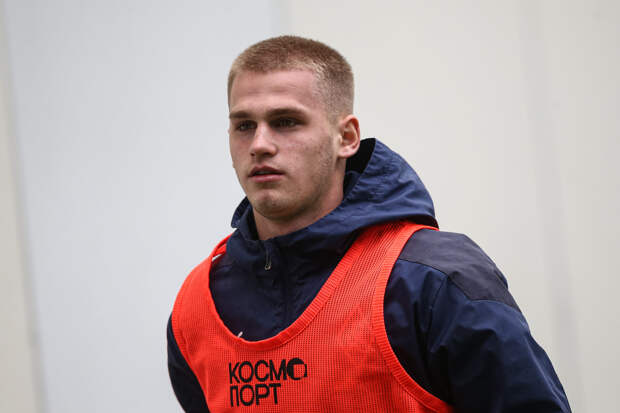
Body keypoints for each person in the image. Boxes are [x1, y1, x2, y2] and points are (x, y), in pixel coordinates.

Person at [167, 35, 571, 412]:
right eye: (244, 125)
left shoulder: (432, 281)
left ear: (346, 137)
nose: (259, 144)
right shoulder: (198, 306)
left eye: (286, 121)